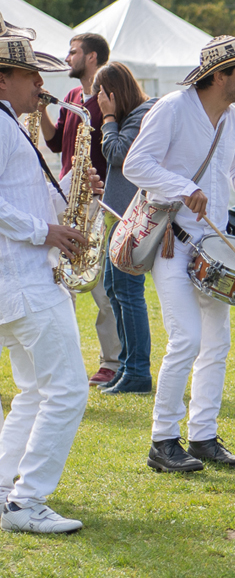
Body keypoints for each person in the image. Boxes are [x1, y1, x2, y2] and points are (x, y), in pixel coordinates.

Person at [123, 36, 235, 472]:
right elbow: (135, 164)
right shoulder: (173, 108)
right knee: (187, 339)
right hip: (172, 240)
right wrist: (184, 188)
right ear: (220, 75)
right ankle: (162, 442)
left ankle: (204, 437)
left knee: (217, 343)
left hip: (213, 245)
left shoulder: (232, 117)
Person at [0, 17, 103, 533]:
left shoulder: (10, 123)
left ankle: (3, 492)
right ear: (2, 79)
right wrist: (44, 232)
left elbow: (22, 194)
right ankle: (27, 501)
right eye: (30, 76)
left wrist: (73, 183)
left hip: (23, 280)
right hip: (24, 279)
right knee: (67, 390)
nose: (42, 86)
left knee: (36, 392)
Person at [39, 32, 122, 389]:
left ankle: (112, 360)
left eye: (72, 52)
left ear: (91, 57)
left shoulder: (110, 94)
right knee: (62, 280)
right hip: (65, 196)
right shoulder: (72, 96)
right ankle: (67, 356)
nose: (67, 56)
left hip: (96, 198)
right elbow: (56, 141)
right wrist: (42, 109)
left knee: (100, 282)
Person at [91, 61, 157, 395]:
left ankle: (138, 372)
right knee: (115, 291)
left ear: (113, 93)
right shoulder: (136, 116)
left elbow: (117, 153)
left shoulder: (140, 115)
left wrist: (108, 118)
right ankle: (128, 366)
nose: (97, 101)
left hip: (133, 222)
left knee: (128, 294)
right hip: (121, 218)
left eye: (101, 95)